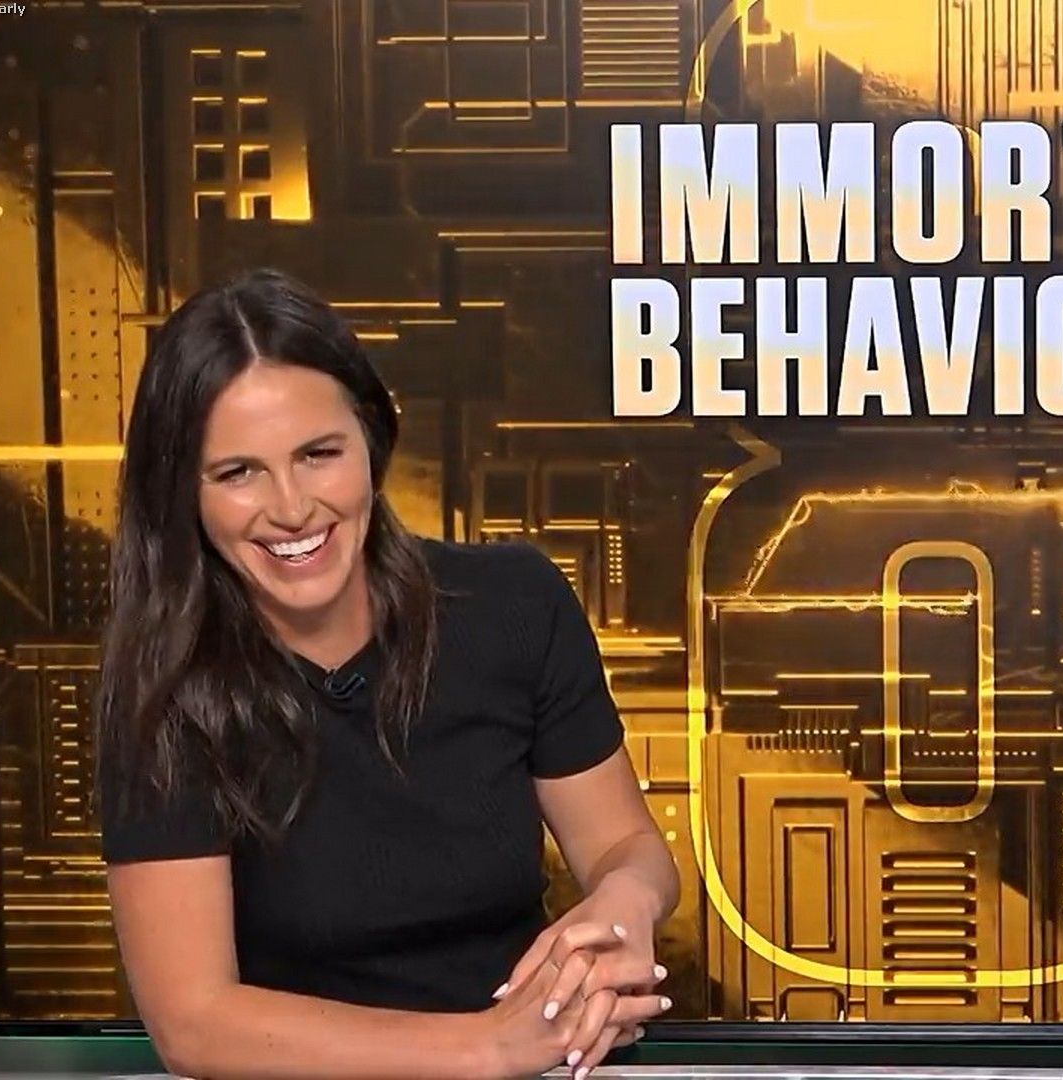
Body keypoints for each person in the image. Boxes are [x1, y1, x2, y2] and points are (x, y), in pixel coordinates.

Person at [94, 268, 680, 1080]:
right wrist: (487, 1048)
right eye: (238, 473)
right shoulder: (165, 689)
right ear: (184, 493)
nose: (291, 507)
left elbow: (624, 844)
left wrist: (627, 899)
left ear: (370, 442)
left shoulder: (514, 605)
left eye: (318, 454)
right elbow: (194, 1023)